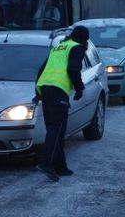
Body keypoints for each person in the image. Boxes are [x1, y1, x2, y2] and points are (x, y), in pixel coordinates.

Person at [33, 26, 89, 181]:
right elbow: (73, 70)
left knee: (57, 129)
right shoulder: (76, 48)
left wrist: (37, 92)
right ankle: (45, 163)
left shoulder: (58, 47)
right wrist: (79, 88)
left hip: (45, 89)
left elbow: (42, 69)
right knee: (56, 129)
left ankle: (60, 166)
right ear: (84, 39)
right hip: (58, 90)